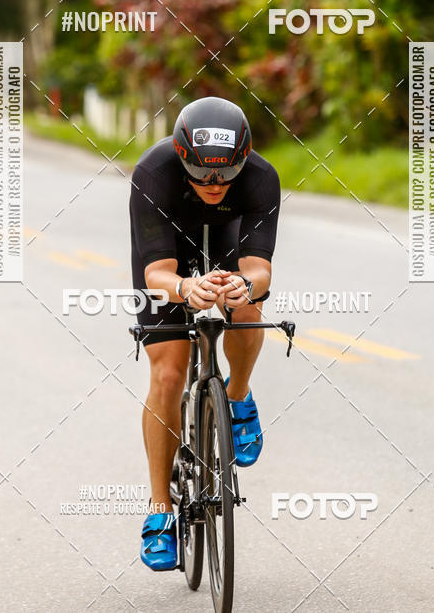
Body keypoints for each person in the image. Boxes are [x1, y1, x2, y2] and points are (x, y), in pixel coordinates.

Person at [129, 96, 281, 571]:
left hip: (230, 239)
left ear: (244, 159)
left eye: (225, 174)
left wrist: (243, 284)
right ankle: (160, 512)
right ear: (180, 157)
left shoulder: (260, 179)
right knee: (169, 375)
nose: (214, 185)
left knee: (246, 306)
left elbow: (260, 269)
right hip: (169, 256)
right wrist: (184, 287)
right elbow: (156, 273)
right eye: (201, 173)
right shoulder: (154, 174)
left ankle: (237, 396)